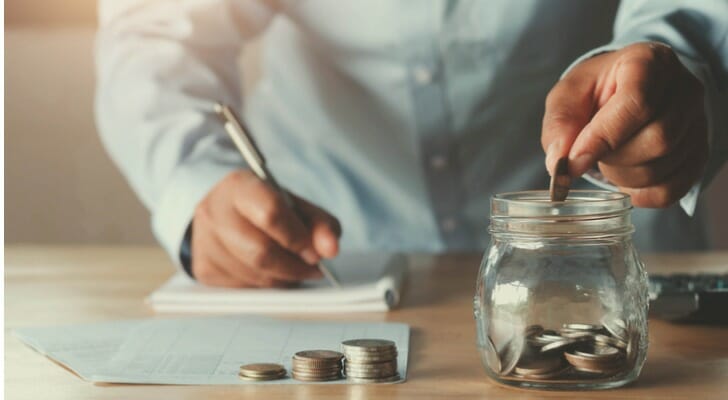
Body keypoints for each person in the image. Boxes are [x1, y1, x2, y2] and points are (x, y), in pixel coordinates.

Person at [95, 0, 727, 288]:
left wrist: (681, 60)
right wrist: (195, 183)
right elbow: (155, 32)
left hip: (609, 264)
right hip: (333, 264)